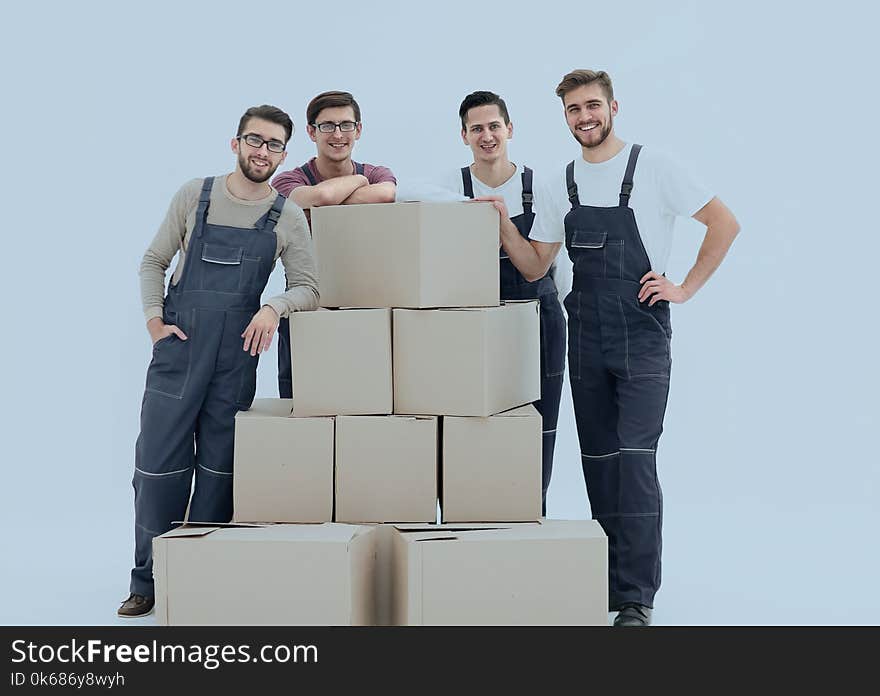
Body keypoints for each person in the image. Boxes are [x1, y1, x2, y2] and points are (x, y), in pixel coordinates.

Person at [544, 70, 740, 626]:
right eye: (574, 109)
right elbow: (541, 257)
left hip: (641, 335)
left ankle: (636, 599)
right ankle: (608, 587)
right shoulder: (564, 180)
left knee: (634, 461)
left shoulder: (653, 167)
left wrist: (685, 287)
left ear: (612, 107)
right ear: (565, 116)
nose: (585, 117)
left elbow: (723, 223)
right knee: (599, 463)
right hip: (583, 336)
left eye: (592, 105)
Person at [119, 105, 319, 618]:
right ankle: (147, 580)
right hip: (179, 350)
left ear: (283, 153)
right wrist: (153, 322)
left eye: (274, 145)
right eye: (255, 140)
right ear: (235, 143)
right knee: (158, 468)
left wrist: (274, 307)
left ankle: (198, 576)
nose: (263, 152)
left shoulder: (286, 215)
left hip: (235, 357)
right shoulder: (196, 195)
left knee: (218, 469)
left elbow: (309, 288)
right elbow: (153, 261)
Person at [451, 90, 566, 515]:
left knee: (540, 424)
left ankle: (530, 515)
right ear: (464, 135)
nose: (487, 136)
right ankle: (473, 514)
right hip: (477, 320)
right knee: (476, 422)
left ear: (510, 129)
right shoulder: (451, 187)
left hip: (541, 318)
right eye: (476, 128)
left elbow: (558, 269)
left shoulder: (544, 189)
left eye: (494, 126)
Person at [272, 90, 396, 398]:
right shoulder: (288, 181)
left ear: (359, 130)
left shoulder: (379, 173)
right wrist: (357, 183)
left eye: (346, 125)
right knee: (301, 400)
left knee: (364, 399)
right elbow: (320, 197)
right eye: (327, 126)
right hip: (306, 303)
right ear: (312, 132)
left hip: (365, 304)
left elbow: (387, 194)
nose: (338, 134)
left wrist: (327, 199)